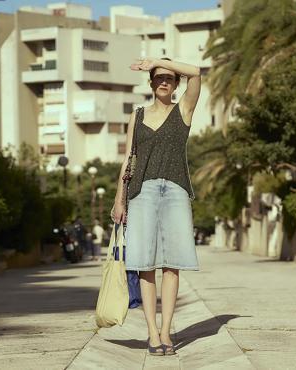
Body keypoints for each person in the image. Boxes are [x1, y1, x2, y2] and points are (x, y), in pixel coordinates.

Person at [111, 57, 201, 356]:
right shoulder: (136, 116)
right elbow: (128, 160)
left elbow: (197, 72)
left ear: (176, 84)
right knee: (145, 266)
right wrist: (119, 198)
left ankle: (166, 332)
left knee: (171, 265)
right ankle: (152, 332)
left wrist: (158, 61)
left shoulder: (183, 111)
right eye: (159, 77)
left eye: (170, 78)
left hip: (175, 190)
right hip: (142, 192)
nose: (165, 81)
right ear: (151, 83)